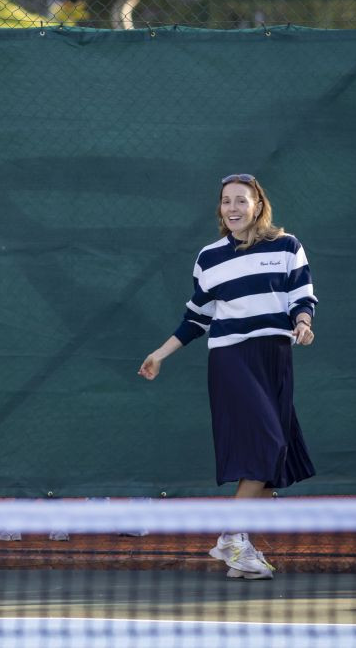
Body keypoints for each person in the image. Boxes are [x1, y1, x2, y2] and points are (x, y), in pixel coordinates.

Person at [138, 173, 316, 581]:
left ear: (258, 205)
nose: (232, 208)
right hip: (231, 359)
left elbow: (301, 296)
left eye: (241, 200)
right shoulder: (209, 258)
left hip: (275, 358)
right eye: (226, 201)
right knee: (267, 443)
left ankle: (239, 549)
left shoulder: (287, 246)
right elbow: (196, 318)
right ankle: (232, 537)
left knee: (275, 460)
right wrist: (159, 354)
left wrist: (303, 322)